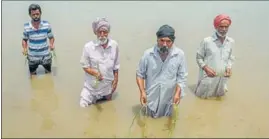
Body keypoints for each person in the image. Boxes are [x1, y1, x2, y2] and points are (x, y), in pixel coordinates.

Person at [136, 24, 188, 118]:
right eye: (162, 40)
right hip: (151, 98)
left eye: (168, 41)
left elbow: (182, 77)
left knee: (168, 123)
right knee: (149, 122)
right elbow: (140, 74)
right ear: (157, 39)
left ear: (172, 41)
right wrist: (142, 92)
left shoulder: (179, 55)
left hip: (169, 99)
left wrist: (177, 93)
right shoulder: (148, 54)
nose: (165, 44)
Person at [79, 17, 120, 107]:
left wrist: (116, 81)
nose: (102, 35)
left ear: (108, 32)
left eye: (104, 32)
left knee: (109, 111)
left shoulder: (114, 45)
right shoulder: (88, 47)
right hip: (91, 89)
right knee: (82, 107)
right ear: (96, 33)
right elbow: (85, 66)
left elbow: (116, 66)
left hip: (107, 90)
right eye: (99, 32)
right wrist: (95, 73)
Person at [194, 14, 235, 99]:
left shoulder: (230, 42)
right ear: (216, 26)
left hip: (222, 80)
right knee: (202, 102)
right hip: (207, 79)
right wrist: (205, 68)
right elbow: (199, 58)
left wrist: (229, 68)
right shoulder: (207, 41)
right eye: (221, 26)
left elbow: (231, 57)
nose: (224, 29)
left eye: (226, 27)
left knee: (219, 104)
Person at [22, 4, 55, 76]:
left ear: (40, 13)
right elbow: (24, 39)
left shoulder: (47, 24)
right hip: (32, 57)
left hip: (46, 56)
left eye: (37, 14)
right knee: (33, 76)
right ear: (30, 15)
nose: (36, 16)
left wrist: (52, 45)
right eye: (33, 14)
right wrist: (24, 48)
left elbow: (51, 37)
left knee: (48, 74)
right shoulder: (26, 26)